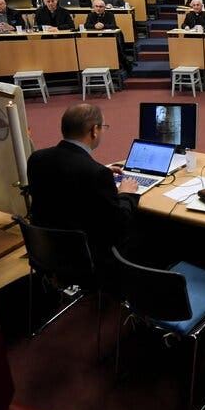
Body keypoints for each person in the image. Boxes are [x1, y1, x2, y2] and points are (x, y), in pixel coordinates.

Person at [28, 103, 140, 279]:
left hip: (45, 249)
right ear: (94, 130)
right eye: (103, 128)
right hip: (88, 257)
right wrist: (126, 193)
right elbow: (118, 224)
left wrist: (98, 169)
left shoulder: (37, 159)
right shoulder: (96, 174)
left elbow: (63, 181)